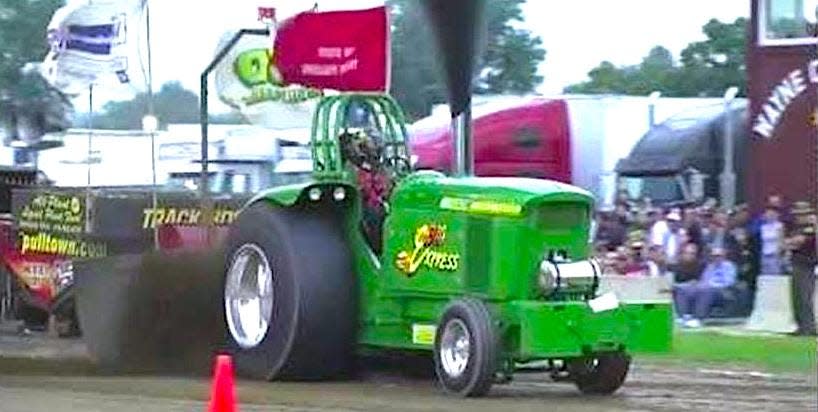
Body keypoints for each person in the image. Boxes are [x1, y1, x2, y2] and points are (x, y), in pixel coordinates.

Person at [674, 247, 737, 328]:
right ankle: (684, 316)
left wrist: (710, 285)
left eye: (718, 256)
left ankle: (698, 318)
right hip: (706, 288)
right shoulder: (710, 267)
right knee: (684, 289)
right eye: (714, 256)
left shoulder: (729, 266)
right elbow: (704, 280)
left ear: (723, 256)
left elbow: (729, 282)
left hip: (722, 292)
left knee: (707, 290)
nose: (716, 258)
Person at [786, 202, 817, 336]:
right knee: (796, 297)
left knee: (805, 297)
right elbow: (786, 243)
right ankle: (801, 325)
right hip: (796, 263)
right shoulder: (795, 228)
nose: (798, 217)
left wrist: (791, 242)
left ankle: (808, 327)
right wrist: (790, 243)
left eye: (801, 214)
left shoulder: (810, 228)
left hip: (807, 265)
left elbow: (799, 241)